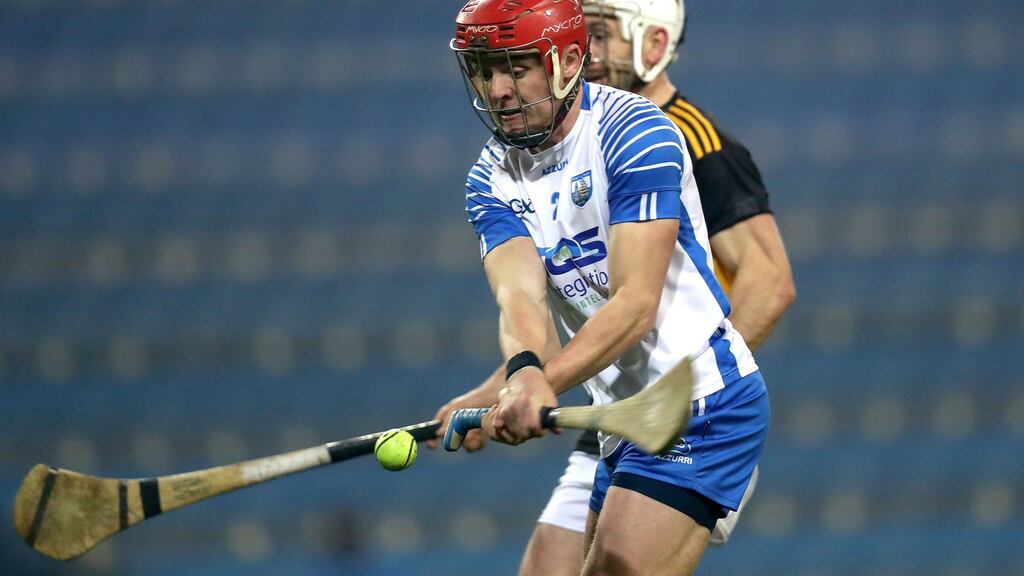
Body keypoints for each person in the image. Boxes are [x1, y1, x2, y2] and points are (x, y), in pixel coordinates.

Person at [435, 0, 778, 573]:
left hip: (699, 403)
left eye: (517, 68)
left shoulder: (635, 132)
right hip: (620, 417)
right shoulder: (488, 178)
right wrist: (520, 375)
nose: (497, 90)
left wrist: (541, 383)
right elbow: (520, 297)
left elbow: (637, 304)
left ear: (569, 61)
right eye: (484, 70)